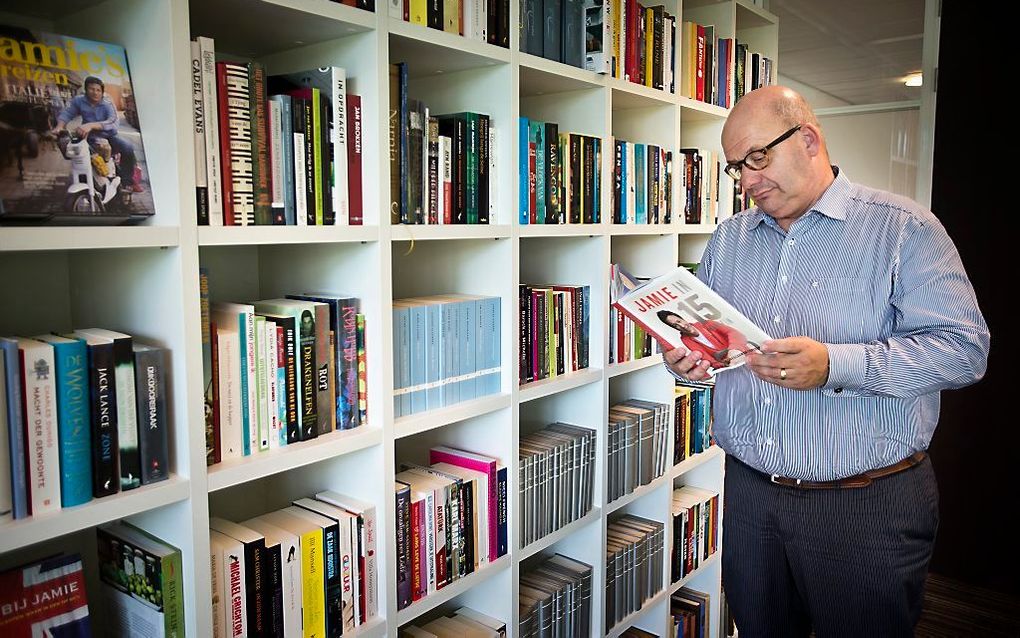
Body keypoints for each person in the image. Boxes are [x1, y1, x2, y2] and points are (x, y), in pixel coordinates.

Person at [663, 86, 989, 637]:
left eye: (758, 158)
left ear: (808, 139)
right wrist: (686, 360)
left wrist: (836, 366)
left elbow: (964, 350)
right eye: (736, 167)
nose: (747, 181)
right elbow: (711, 339)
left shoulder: (903, 228)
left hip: (867, 505)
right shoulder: (729, 239)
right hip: (751, 495)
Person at [52, 75, 138, 191]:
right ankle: (86, 180)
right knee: (78, 154)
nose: (95, 93)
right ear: (86, 90)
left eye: (98, 90)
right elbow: (67, 113)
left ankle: (127, 182)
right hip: (89, 136)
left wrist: (91, 125)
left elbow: (113, 121)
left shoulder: (107, 102)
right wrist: (59, 126)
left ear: (102, 92)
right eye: (91, 89)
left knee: (128, 147)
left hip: (109, 135)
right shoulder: (79, 101)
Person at [656, 309, 751, 369]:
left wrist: (734, 349)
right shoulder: (686, 340)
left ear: (683, 319)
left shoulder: (707, 324)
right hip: (728, 365)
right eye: (676, 325)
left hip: (742, 352)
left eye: (679, 321)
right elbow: (706, 358)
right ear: (674, 328)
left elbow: (733, 333)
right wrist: (723, 364)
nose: (682, 326)